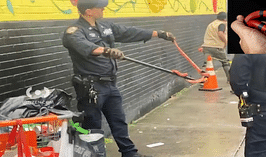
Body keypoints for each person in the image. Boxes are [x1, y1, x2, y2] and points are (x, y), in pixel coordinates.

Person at [62, 0, 175, 156]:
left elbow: (129, 32)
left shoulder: (105, 26)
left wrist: (158, 33)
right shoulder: (74, 31)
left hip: (110, 84)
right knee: (92, 124)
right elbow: (84, 46)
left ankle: (129, 153)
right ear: (88, 11)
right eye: (99, 7)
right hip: (91, 87)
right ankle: (95, 154)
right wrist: (106, 51)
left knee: (119, 121)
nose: (103, 9)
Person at [201, 12, 230, 82]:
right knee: (225, 63)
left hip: (206, 47)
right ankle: (230, 79)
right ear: (225, 18)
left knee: (207, 64)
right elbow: (220, 33)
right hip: (216, 47)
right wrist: (226, 41)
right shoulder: (222, 24)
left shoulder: (212, 24)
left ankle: (204, 81)